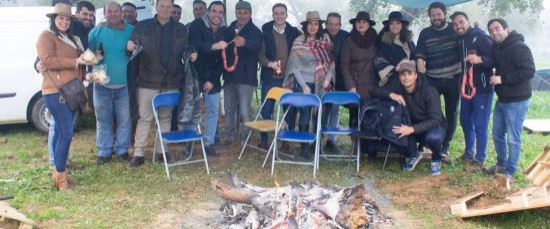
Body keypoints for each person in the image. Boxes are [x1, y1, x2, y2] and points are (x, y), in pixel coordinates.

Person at [126, 0, 194, 166]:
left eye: (169, 6)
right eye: (162, 6)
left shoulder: (180, 28)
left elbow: (186, 49)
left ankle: (162, 151)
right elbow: (132, 47)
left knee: (165, 117)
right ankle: (139, 153)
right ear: (156, 7)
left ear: (172, 9)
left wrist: (192, 53)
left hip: (171, 81)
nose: (165, 9)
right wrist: (129, 46)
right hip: (147, 81)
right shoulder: (143, 26)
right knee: (145, 117)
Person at [36, 3, 89, 190]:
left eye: (67, 19)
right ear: (53, 19)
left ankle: (60, 173)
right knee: (66, 132)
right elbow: (47, 61)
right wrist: (75, 61)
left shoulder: (70, 38)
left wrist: (87, 73)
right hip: (55, 91)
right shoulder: (46, 36)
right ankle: (60, 176)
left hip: (71, 90)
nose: (65, 22)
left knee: (61, 131)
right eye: (61, 18)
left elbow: (79, 64)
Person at [372, 61, 445, 176]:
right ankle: (413, 154)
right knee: (394, 131)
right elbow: (374, 90)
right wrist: (391, 94)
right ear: (399, 77)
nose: (406, 78)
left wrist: (412, 129)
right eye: (403, 74)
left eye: (409, 74)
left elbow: (436, 119)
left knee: (433, 137)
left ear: (416, 75)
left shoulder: (429, 91)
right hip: (411, 125)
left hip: (432, 127)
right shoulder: (399, 87)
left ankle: (436, 158)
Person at [484, 19, 535, 181]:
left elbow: (529, 71)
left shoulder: (519, 47)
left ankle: (510, 172)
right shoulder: (497, 47)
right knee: (497, 134)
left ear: (506, 29)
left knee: (513, 138)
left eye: (497, 29)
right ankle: (501, 164)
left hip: (518, 100)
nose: (494, 33)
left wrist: (502, 79)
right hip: (503, 99)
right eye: (491, 31)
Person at [88, 1, 134, 165]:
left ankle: (122, 149)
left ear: (121, 13)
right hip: (101, 84)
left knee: (124, 120)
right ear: (105, 14)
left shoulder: (130, 30)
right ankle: (104, 151)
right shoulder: (96, 31)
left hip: (124, 84)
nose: (113, 14)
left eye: (116, 11)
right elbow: (89, 56)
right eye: (110, 11)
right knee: (103, 120)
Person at [284, 10, 334, 158]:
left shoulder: (325, 42)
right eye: (310, 24)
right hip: (303, 83)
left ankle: (317, 143)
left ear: (319, 26)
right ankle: (304, 146)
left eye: (316, 24)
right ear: (305, 26)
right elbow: (293, 66)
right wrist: (304, 85)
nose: (313, 27)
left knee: (320, 115)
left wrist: (327, 79)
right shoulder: (299, 41)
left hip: (321, 83)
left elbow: (331, 64)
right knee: (305, 115)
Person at [416, 2, 461, 161]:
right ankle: (430, 140)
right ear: (429, 17)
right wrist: (421, 78)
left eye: (438, 14)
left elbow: (467, 37)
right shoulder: (425, 33)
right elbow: (420, 56)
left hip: (453, 79)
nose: (436, 17)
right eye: (433, 15)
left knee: (452, 112)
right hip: (432, 79)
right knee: (431, 112)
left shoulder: (454, 28)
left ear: (444, 14)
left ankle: (445, 144)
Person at [450, 11, 494, 171]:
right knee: (465, 121)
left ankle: (480, 160)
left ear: (467, 21)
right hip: (466, 88)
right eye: (455, 24)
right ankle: (469, 153)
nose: (458, 26)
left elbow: (495, 58)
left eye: (461, 22)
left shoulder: (480, 36)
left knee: (480, 124)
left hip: (482, 89)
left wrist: (481, 60)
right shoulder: (460, 39)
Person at [256, 3, 300, 150]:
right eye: (276, 13)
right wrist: (270, 64)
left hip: (288, 79)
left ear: (286, 15)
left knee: (288, 111)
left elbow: (308, 39)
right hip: (269, 78)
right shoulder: (265, 31)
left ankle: (285, 141)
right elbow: (260, 54)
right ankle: (264, 140)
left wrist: (324, 34)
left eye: (282, 13)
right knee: (266, 110)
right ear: (272, 15)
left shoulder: (294, 32)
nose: (279, 16)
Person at [189, 1, 227, 157]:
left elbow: (224, 59)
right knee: (192, 111)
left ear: (223, 14)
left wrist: (212, 80)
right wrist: (213, 46)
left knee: (213, 111)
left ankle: (209, 142)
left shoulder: (226, 30)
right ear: (208, 12)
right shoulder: (197, 25)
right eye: (214, 11)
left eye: (220, 12)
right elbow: (194, 44)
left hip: (214, 77)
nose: (217, 14)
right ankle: (189, 143)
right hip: (196, 74)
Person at [221, 1, 262, 146]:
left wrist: (246, 43)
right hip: (229, 77)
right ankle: (228, 136)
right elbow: (222, 50)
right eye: (239, 12)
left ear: (250, 14)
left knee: (245, 110)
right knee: (229, 108)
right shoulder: (227, 30)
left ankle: (246, 137)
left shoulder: (256, 31)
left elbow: (258, 48)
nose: (242, 16)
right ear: (235, 13)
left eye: (245, 13)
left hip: (246, 78)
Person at [340, 11, 378, 157]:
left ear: (369, 24)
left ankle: (371, 148)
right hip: (355, 85)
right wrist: (350, 86)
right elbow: (344, 64)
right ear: (355, 24)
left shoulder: (377, 39)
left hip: (372, 85)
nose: (361, 24)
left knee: (371, 116)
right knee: (355, 116)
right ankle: (356, 146)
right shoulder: (349, 41)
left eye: (364, 21)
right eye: (358, 21)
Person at [323, 12, 349, 154]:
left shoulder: (346, 37)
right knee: (321, 109)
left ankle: (331, 140)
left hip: (339, 79)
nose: (333, 27)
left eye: (336, 24)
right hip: (321, 78)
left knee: (334, 109)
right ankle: (317, 137)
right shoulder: (320, 34)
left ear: (340, 25)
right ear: (326, 25)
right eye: (330, 24)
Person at [375, 11, 416, 87]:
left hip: (409, 77)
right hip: (393, 79)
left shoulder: (408, 40)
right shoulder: (384, 41)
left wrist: (410, 63)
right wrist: (395, 68)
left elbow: (414, 55)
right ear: (388, 25)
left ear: (402, 25)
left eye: (398, 23)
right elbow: (379, 60)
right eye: (391, 23)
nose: (395, 26)